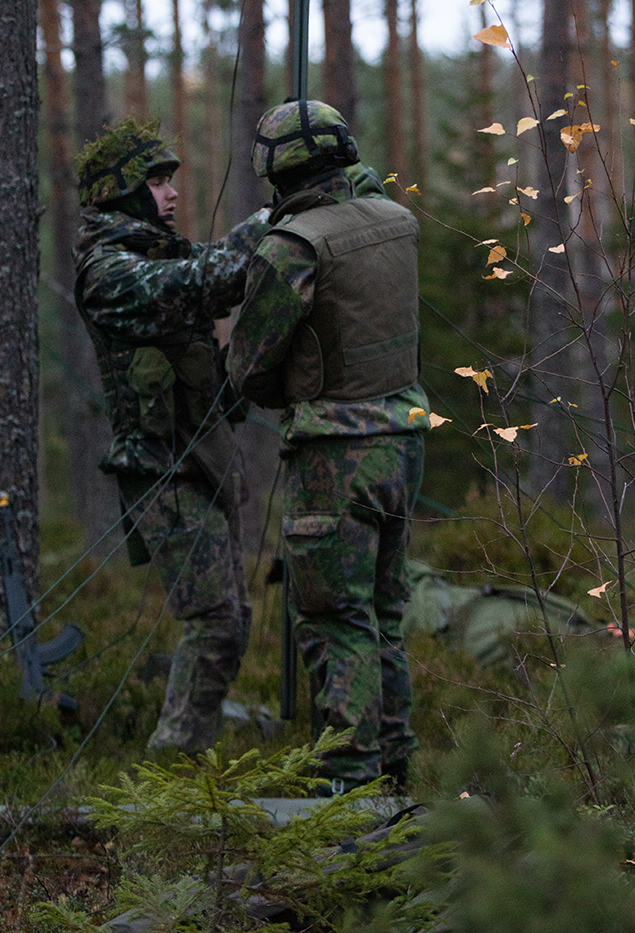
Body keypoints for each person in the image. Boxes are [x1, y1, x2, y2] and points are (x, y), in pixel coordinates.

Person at [228, 100, 428, 794]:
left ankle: (346, 788)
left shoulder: (294, 247)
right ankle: (395, 775)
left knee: (332, 621)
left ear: (274, 170)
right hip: (403, 445)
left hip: (334, 458)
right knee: (383, 615)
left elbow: (249, 367)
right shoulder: (396, 223)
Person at [73, 119, 270, 754]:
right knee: (214, 622)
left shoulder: (158, 255)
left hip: (202, 464)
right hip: (163, 473)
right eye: (156, 182)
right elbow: (204, 283)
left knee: (231, 621)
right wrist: (272, 225)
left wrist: (271, 219)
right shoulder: (108, 272)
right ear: (121, 193)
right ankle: (174, 768)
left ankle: (188, 766)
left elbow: (206, 268)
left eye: (170, 181)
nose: (172, 193)